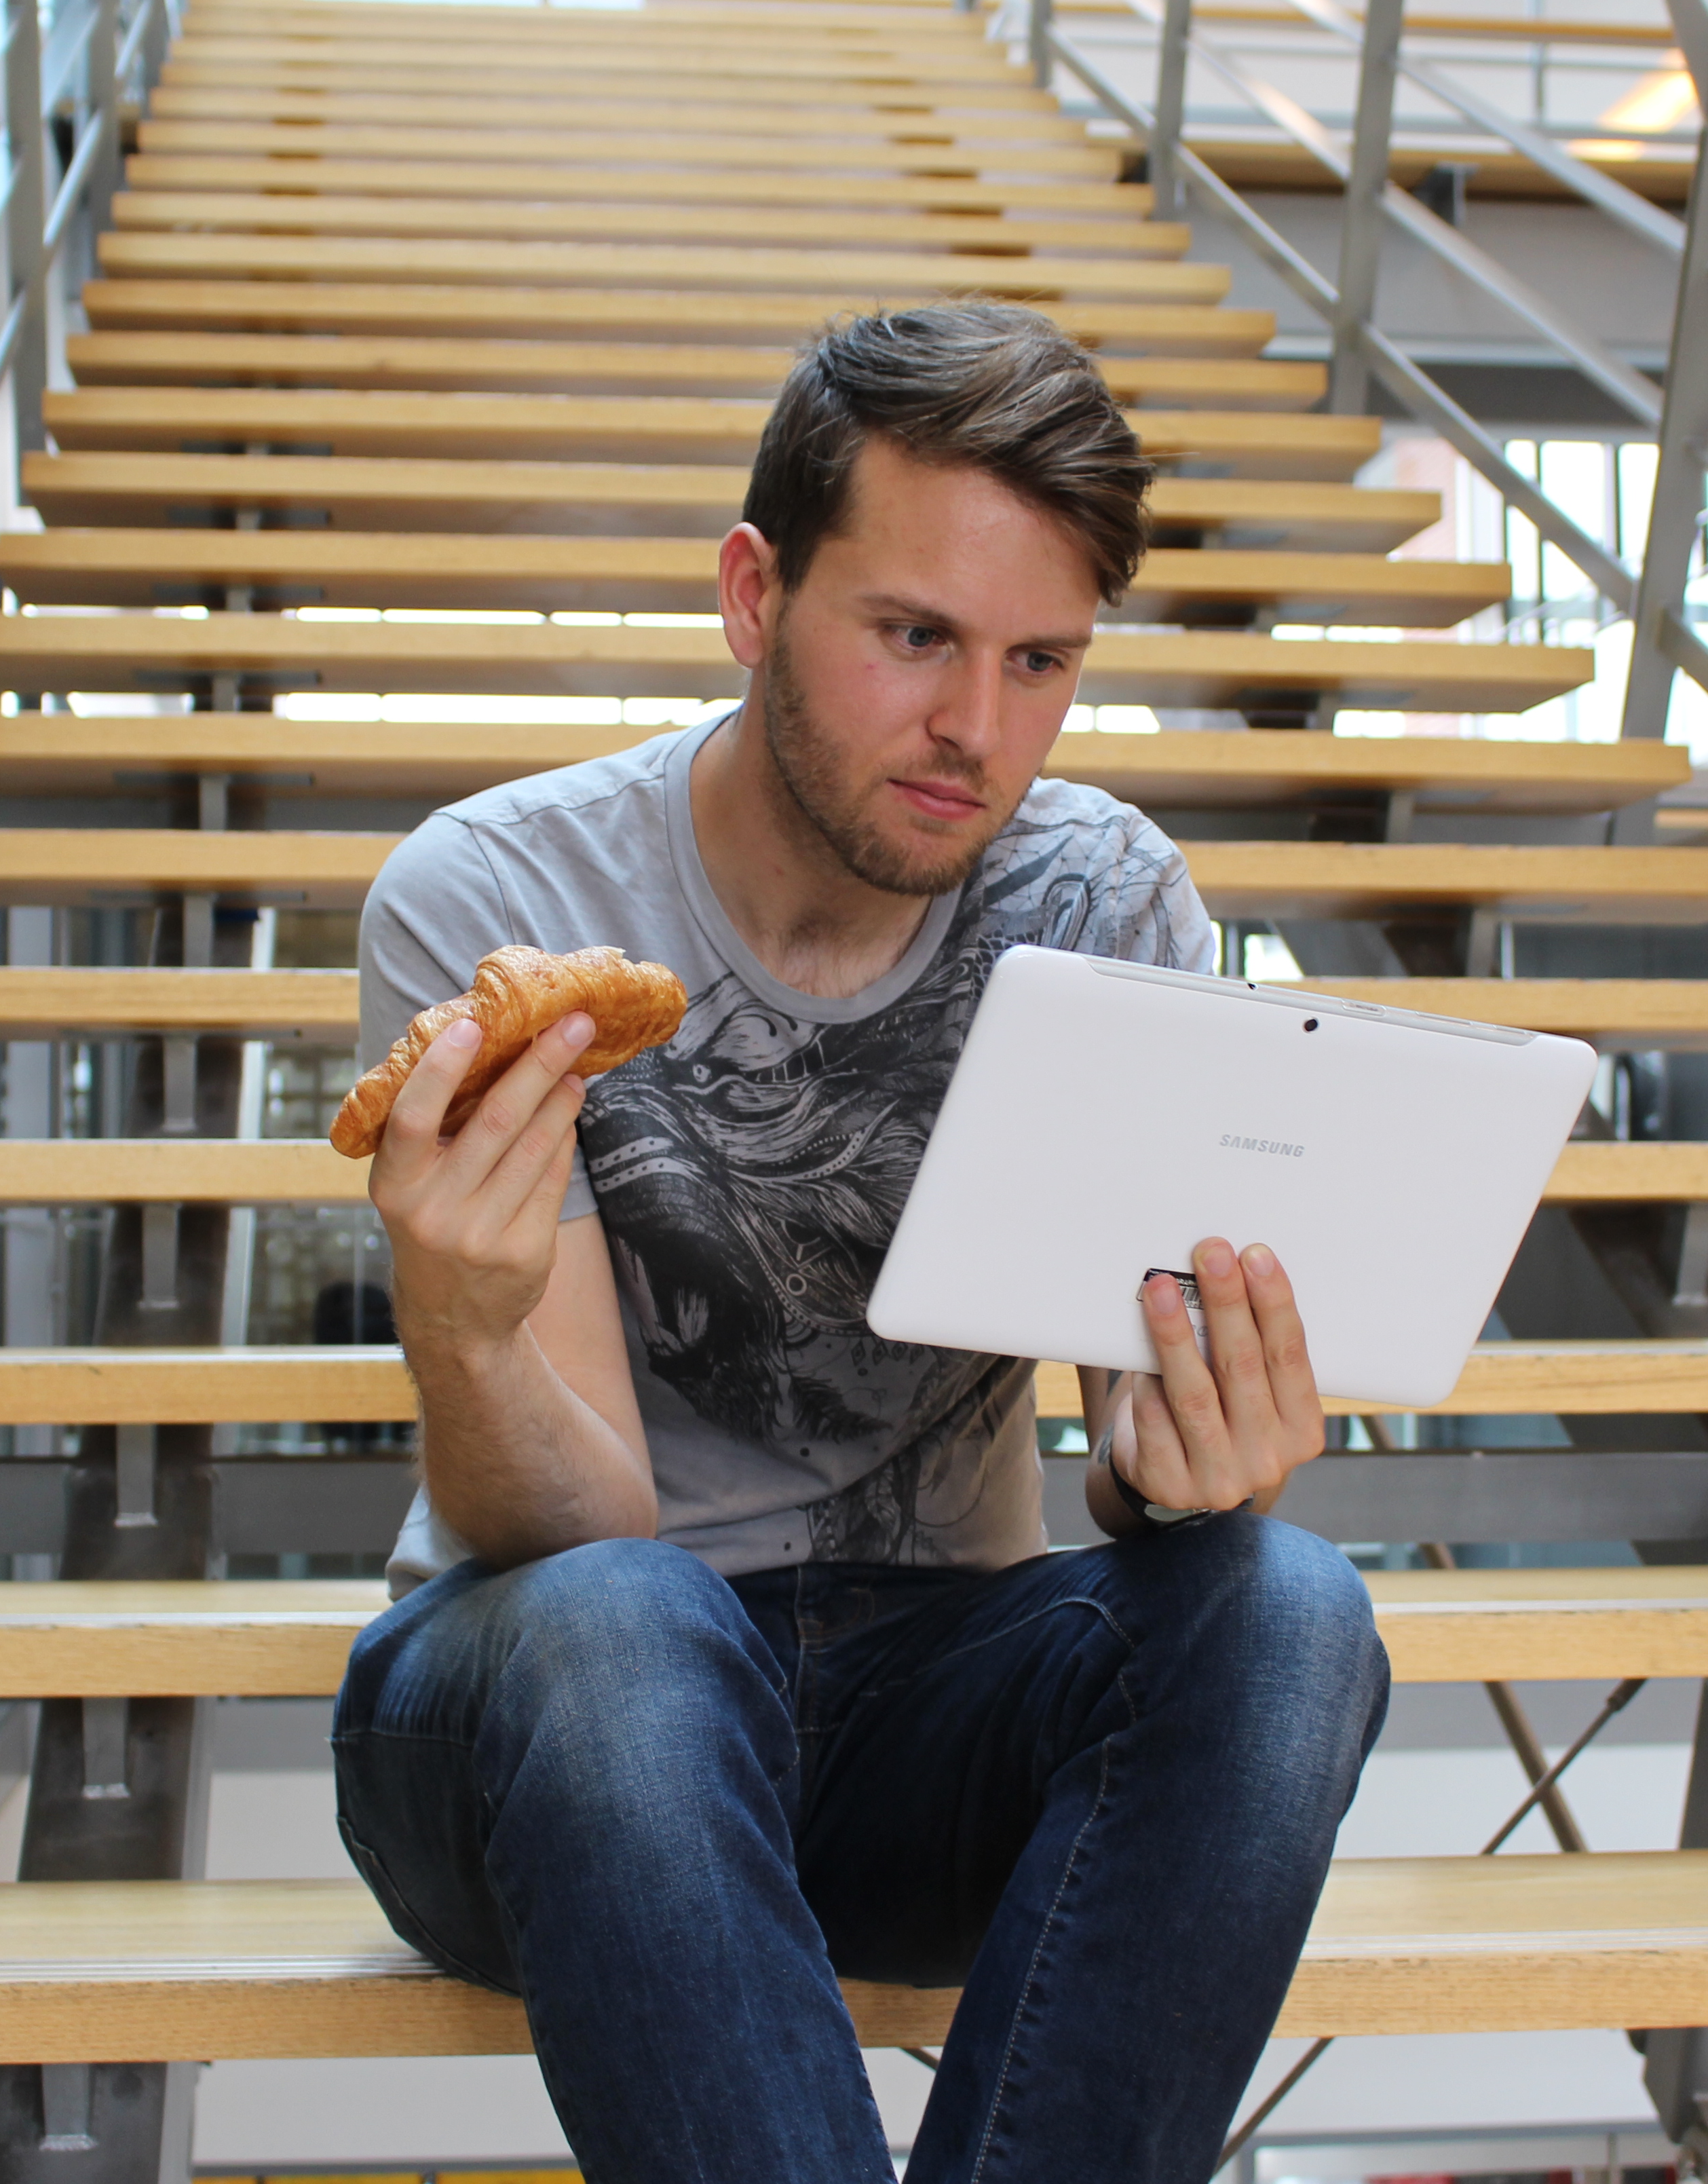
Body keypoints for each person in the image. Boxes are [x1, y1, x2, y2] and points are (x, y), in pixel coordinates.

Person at [334, 302, 1391, 2184]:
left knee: (1288, 1609)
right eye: (914, 637)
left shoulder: (1104, 899)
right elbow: (575, 1540)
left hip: (928, 1701)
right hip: (545, 1728)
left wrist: (1180, 1475)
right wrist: (471, 1333)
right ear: (754, 594)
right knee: (626, 1634)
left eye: (1041, 660)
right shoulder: (501, 899)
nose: (975, 729)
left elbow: (1134, 1468)